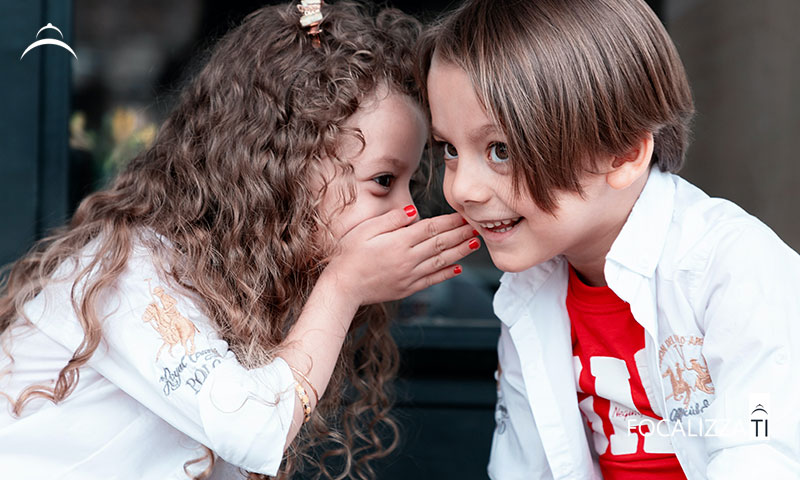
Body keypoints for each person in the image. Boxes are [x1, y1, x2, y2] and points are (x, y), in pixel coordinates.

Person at [0, 2, 481, 479]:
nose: (405, 211)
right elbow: (253, 430)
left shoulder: (247, 284)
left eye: (410, 185)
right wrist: (343, 286)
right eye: (382, 181)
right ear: (286, 169)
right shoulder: (131, 271)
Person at [417, 0, 800, 478]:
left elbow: (761, 454)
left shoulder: (733, 267)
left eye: (501, 150)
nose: (460, 190)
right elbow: (525, 467)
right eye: (450, 149)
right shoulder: (529, 293)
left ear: (622, 153)